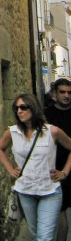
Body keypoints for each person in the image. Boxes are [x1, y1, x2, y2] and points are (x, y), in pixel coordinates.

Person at [0, 93, 71, 241]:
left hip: (50, 191)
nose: (19, 111)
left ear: (34, 108)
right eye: (17, 108)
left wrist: (64, 172)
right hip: (25, 190)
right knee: (37, 235)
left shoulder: (52, 131)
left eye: (24, 107)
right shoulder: (12, 132)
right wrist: (10, 169)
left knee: (45, 237)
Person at [45, 78, 71, 241]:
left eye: (69, 92)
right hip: (57, 169)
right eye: (62, 92)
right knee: (60, 209)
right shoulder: (47, 115)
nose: (66, 95)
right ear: (55, 93)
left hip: (67, 167)